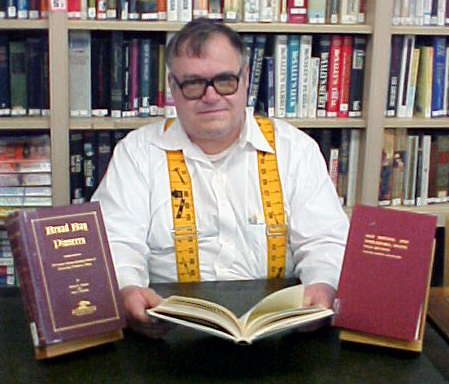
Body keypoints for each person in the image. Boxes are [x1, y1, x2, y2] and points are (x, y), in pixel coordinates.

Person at [92, 18, 349, 338]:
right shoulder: (136, 154)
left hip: (281, 336)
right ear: (173, 88)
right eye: (194, 83)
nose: (211, 97)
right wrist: (127, 290)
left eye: (224, 80)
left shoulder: (295, 150)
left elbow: (326, 240)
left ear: (245, 81)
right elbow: (115, 242)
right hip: (169, 338)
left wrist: (323, 284)